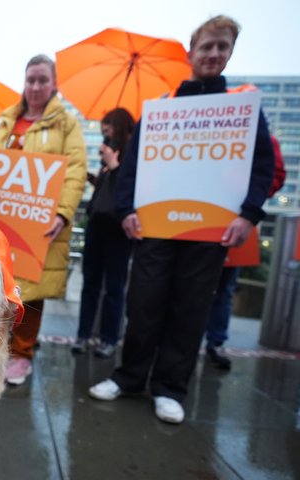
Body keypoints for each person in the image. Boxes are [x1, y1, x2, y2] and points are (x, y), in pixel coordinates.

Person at [89, 15, 274, 423]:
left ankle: (170, 388)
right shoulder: (162, 109)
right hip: (157, 225)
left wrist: (249, 215)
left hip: (211, 229)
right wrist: (127, 211)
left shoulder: (243, 109)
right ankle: (130, 376)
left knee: (190, 309)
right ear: (191, 52)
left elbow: (263, 167)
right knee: (144, 302)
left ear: (229, 53)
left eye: (222, 47)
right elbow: (132, 169)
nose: (213, 54)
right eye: (207, 46)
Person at [0, 54, 87, 385]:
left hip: (41, 224)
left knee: (30, 292)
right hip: (2, 222)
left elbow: (76, 171)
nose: (35, 86)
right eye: (30, 79)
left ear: (54, 84)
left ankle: (21, 354)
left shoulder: (66, 124)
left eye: (42, 80)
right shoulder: (7, 120)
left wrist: (63, 212)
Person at [205, 134, 286, 370]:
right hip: (201, 214)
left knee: (224, 288)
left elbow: (275, 175)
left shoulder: (264, 139)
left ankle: (215, 342)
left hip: (237, 216)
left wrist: (251, 195)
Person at [71, 108, 135, 358]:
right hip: (96, 225)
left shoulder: (131, 155)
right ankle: (83, 335)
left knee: (114, 288)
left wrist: (115, 166)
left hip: (118, 230)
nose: (105, 133)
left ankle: (108, 338)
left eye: (107, 128)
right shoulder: (109, 154)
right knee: (91, 284)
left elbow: (127, 192)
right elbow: (109, 192)